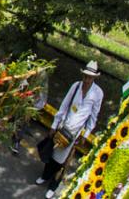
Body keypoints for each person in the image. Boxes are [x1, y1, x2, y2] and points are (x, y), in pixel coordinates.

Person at [37, 61, 103, 198]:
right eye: (85, 76)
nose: (87, 79)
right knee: (52, 153)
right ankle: (44, 176)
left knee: (63, 161)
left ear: (94, 78)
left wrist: (86, 134)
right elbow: (64, 106)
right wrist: (54, 125)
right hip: (64, 127)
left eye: (90, 77)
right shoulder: (76, 86)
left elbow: (93, 116)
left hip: (75, 133)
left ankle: (53, 185)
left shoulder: (98, 93)